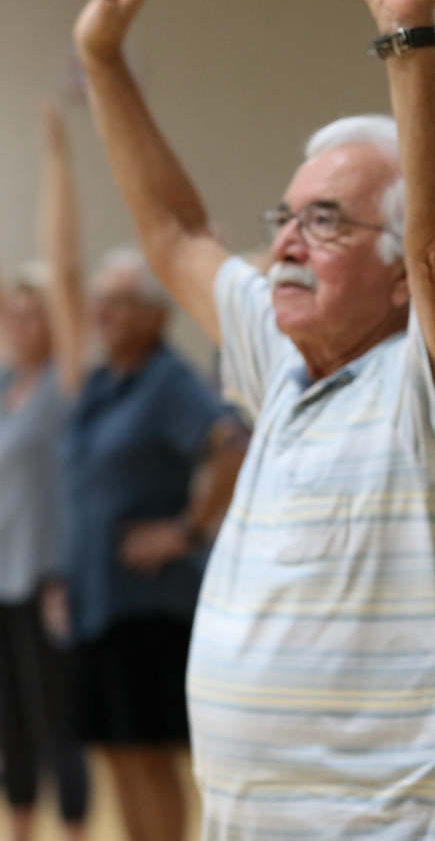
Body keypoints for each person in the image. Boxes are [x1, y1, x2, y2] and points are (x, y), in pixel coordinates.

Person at [72, 0, 435, 841]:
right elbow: (176, 229)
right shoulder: (276, 355)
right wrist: (103, 61)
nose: (285, 244)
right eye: (287, 218)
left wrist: (408, 34)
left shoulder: (433, 389)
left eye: (328, 222)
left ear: (400, 275)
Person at [40, 108, 246, 841]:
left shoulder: (168, 381)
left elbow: (232, 444)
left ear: (157, 314)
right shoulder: (100, 383)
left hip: (146, 605)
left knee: (151, 754)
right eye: (98, 299)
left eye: (118, 301)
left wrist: (187, 529)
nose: (100, 311)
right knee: (117, 757)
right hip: (98, 598)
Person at [0, 107, 89, 841]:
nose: (19, 321)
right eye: (11, 312)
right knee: (12, 733)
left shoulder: (63, 389)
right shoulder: (4, 390)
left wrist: (54, 154)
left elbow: (63, 267)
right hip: (2, 578)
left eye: (32, 312)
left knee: (59, 724)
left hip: (48, 577)